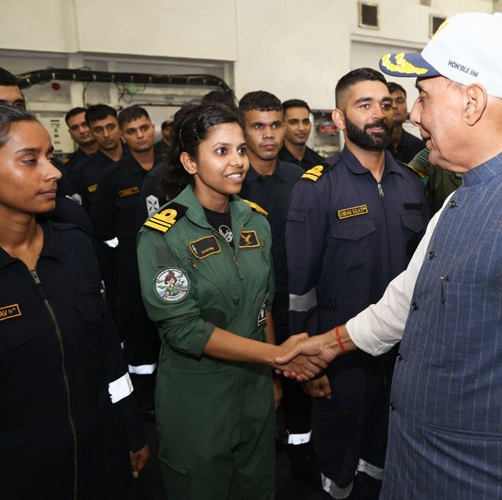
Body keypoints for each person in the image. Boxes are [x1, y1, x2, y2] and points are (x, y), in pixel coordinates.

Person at [282, 12, 502, 498]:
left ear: (472, 102)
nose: (412, 115)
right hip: (418, 469)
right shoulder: (463, 196)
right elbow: (404, 302)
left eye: (423, 96)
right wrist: (330, 343)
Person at [136, 100, 323, 500]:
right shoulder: (163, 234)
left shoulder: (255, 219)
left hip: (254, 389)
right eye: (221, 151)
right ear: (190, 162)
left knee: (258, 488)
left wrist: (271, 376)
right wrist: (274, 358)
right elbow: (184, 330)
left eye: (240, 149)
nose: (238, 161)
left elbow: (264, 304)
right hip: (199, 396)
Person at [0, 103, 149, 499]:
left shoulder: (74, 245)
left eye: (50, 157)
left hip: (100, 455)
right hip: (10, 473)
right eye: (29, 160)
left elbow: (107, 350)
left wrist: (130, 428)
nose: (53, 172)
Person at [286, 67, 429, 499]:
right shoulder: (316, 189)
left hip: (401, 356)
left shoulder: (411, 183)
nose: (378, 114)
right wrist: (307, 361)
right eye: (364, 105)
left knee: (390, 459)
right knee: (341, 468)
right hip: (341, 358)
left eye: (384, 105)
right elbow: (298, 288)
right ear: (340, 117)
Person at [237, 90, 318, 486]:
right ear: (243, 130)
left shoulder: (299, 179)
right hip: (246, 311)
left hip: (296, 301)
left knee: (300, 384)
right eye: (258, 126)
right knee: (256, 394)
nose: (268, 135)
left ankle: (301, 453)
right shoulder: (231, 183)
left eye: (275, 125)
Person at [91, 105, 161, 419]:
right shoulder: (113, 177)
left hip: (175, 263)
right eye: (131, 131)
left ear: (153, 128)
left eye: (143, 128)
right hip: (132, 271)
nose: (139, 135)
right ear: (123, 136)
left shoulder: (174, 166)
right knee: (139, 332)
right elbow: (102, 226)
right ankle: (144, 395)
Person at [70, 104, 126, 211]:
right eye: (98, 129)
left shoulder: (137, 159)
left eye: (110, 127)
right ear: (91, 132)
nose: (106, 134)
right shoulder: (82, 171)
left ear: (119, 127)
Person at [279, 98, 325, 170]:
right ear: (282, 126)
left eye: (305, 122)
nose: (301, 128)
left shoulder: (321, 164)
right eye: (294, 122)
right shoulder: (273, 164)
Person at [386, 81, 425, 163]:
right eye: (388, 102)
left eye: (399, 101)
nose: (394, 106)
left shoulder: (419, 147)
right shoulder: (372, 146)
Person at [64, 106, 98, 172]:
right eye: (75, 127)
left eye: (85, 124)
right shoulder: (69, 167)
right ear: (70, 133)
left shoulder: (114, 154)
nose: (81, 131)